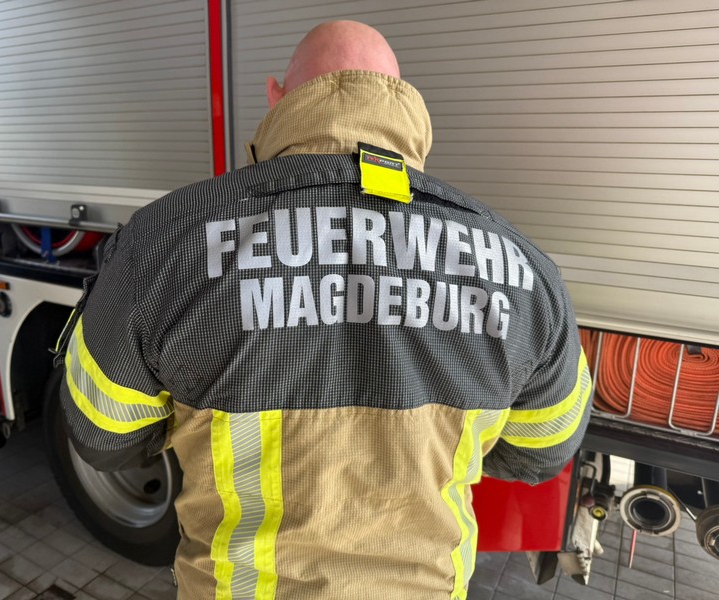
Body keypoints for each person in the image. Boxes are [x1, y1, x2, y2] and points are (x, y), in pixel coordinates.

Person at [58, 20, 592, 599]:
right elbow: (541, 452)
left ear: (277, 97)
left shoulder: (162, 244)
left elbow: (102, 435)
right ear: (406, 106)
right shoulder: (524, 271)